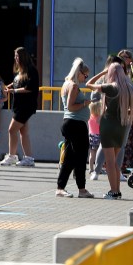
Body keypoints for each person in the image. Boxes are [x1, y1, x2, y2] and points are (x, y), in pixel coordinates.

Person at [86, 61, 133, 199]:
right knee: (115, 163)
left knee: (109, 163)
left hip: (108, 125)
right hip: (122, 126)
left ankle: (113, 192)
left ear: (111, 73)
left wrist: (102, 72)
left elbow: (89, 84)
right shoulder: (129, 87)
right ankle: (117, 191)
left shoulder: (110, 87)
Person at [56, 58, 95, 198]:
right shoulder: (73, 86)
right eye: (85, 75)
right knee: (80, 157)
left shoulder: (66, 84)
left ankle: (61, 187)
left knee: (70, 158)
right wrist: (85, 103)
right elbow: (72, 107)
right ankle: (81, 189)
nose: (86, 78)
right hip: (75, 124)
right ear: (79, 73)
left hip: (70, 123)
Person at [0, 47, 40, 167]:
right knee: (23, 132)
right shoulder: (20, 71)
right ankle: (28, 158)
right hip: (18, 106)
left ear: (23, 56)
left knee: (12, 129)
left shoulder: (32, 70)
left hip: (26, 106)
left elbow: (29, 88)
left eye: (17, 56)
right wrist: (8, 86)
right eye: (15, 56)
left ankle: (12, 156)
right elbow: (17, 82)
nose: (15, 58)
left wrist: (14, 90)